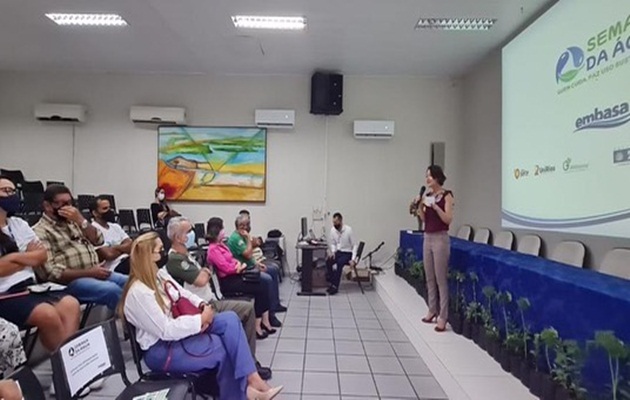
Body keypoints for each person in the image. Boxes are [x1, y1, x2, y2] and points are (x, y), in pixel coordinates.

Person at [120, 232, 282, 400]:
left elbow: (182, 292)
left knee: (230, 319)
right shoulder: (139, 293)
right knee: (223, 347)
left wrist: (202, 305)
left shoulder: (159, 274)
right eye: (160, 250)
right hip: (161, 349)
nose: (164, 253)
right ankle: (243, 394)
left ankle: (252, 379)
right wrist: (200, 320)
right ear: (148, 256)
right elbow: (165, 330)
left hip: (179, 330)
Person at [164, 217, 272, 380]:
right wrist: (206, 272)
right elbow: (201, 279)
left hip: (212, 301)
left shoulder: (187, 254)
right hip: (202, 309)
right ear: (179, 238)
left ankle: (249, 363)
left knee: (248, 307)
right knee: (248, 305)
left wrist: (206, 271)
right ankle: (249, 368)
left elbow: (206, 272)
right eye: (189, 231)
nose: (193, 234)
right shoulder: (175, 260)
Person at [0, 177, 80, 353]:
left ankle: (67, 364)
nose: (11, 195)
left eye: (13, 191)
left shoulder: (19, 224)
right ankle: (66, 367)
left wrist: (12, 259)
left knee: (71, 304)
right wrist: (25, 256)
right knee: (47, 314)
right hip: (5, 293)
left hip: (31, 287)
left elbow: (41, 256)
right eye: (6, 191)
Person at [33, 185, 127, 310]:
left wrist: (81, 220)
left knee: (132, 282)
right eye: (62, 203)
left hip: (94, 273)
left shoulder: (74, 222)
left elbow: (98, 240)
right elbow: (50, 272)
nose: (68, 207)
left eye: (69, 203)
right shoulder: (40, 231)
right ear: (48, 206)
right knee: (112, 290)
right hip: (69, 282)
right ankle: (130, 325)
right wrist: (89, 272)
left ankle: (142, 325)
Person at [206, 217, 276, 339]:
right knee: (261, 286)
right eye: (222, 228)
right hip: (228, 282)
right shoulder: (213, 249)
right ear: (216, 230)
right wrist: (238, 267)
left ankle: (263, 322)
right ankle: (257, 327)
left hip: (236, 274)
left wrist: (238, 265)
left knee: (262, 284)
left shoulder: (221, 245)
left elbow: (232, 259)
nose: (224, 231)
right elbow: (226, 268)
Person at [228, 214, 284, 327]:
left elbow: (256, 246)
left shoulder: (243, 236)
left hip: (250, 266)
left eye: (247, 224)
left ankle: (275, 305)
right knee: (267, 279)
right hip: (244, 270)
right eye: (242, 225)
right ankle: (270, 314)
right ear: (237, 226)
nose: (245, 227)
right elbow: (248, 254)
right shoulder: (236, 238)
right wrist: (249, 239)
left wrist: (257, 263)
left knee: (272, 270)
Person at [416, 165, 454, 332]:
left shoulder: (447, 195)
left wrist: (436, 206)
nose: (428, 179)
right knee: (429, 277)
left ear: (438, 177)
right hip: (428, 237)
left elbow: (448, 219)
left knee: (440, 279)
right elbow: (424, 219)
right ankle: (432, 310)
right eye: (426, 176)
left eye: (430, 176)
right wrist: (419, 205)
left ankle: (443, 317)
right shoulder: (428, 195)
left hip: (440, 238)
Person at [90, 195, 132, 274]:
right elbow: (108, 255)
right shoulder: (92, 230)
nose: (109, 211)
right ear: (95, 213)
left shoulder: (115, 226)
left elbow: (131, 245)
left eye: (110, 207)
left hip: (127, 260)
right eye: (105, 208)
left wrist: (114, 248)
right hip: (114, 267)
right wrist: (123, 248)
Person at [326, 212, 358, 295]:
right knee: (328, 261)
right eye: (333, 222)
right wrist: (333, 252)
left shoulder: (348, 230)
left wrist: (353, 259)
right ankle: (332, 282)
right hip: (339, 252)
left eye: (336, 222)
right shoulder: (333, 230)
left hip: (347, 253)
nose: (334, 224)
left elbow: (354, 245)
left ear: (340, 221)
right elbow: (333, 243)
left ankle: (335, 286)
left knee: (340, 263)